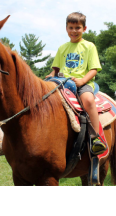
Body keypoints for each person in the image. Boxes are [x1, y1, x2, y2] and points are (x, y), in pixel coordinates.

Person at [46, 12, 107, 155]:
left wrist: (83, 80)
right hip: (62, 82)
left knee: (88, 100)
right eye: (71, 27)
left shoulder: (89, 46)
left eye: (77, 28)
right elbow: (56, 69)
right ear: (66, 28)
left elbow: (93, 69)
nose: (74, 31)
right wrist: (49, 76)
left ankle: (95, 138)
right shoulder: (62, 48)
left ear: (84, 29)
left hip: (81, 82)